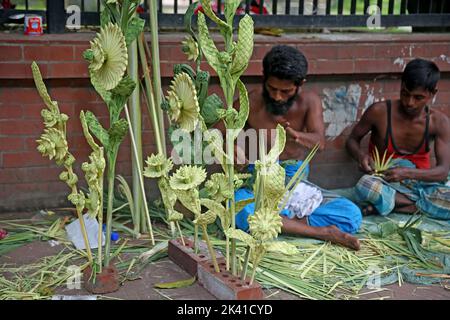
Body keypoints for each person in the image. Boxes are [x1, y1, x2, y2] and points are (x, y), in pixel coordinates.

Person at [230, 45, 362, 250]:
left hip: (292, 178)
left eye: (286, 91)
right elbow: (218, 130)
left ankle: (276, 222)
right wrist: (231, 147)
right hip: (256, 178)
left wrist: (296, 136)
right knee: (236, 208)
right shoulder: (252, 100)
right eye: (272, 88)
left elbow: (320, 143)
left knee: (351, 215)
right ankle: (321, 232)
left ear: (301, 84)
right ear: (264, 77)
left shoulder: (310, 102)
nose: (277, 97)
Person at [346, 58, 450, 219]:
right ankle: (419, 206)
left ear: (432, 93)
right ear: (401, 85)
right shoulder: (379, 112)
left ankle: (394, 205)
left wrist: (407, 173)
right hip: (385, 181)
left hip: (420, 181)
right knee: (364, 185)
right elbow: (352, 140)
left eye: (418, 97)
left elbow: (442, 172)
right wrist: (361, 156)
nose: (409, 102)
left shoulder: (439, 122)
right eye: (405, 94)